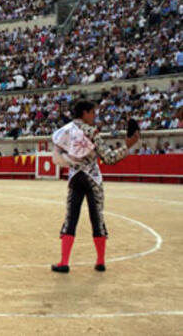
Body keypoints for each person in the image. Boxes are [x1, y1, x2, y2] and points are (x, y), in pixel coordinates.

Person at [51, 100, 139, 273]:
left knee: (71, 218)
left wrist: (73, 162)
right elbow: (109, 158)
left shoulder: (64, 131)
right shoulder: (92, 132)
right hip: (93, 178)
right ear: (85, 113)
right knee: (97, 218)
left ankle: (64, 262)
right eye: (92, 112)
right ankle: (100, 261)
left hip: (75, 177)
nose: (94, 116)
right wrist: (127, 146)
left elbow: (57, 158)